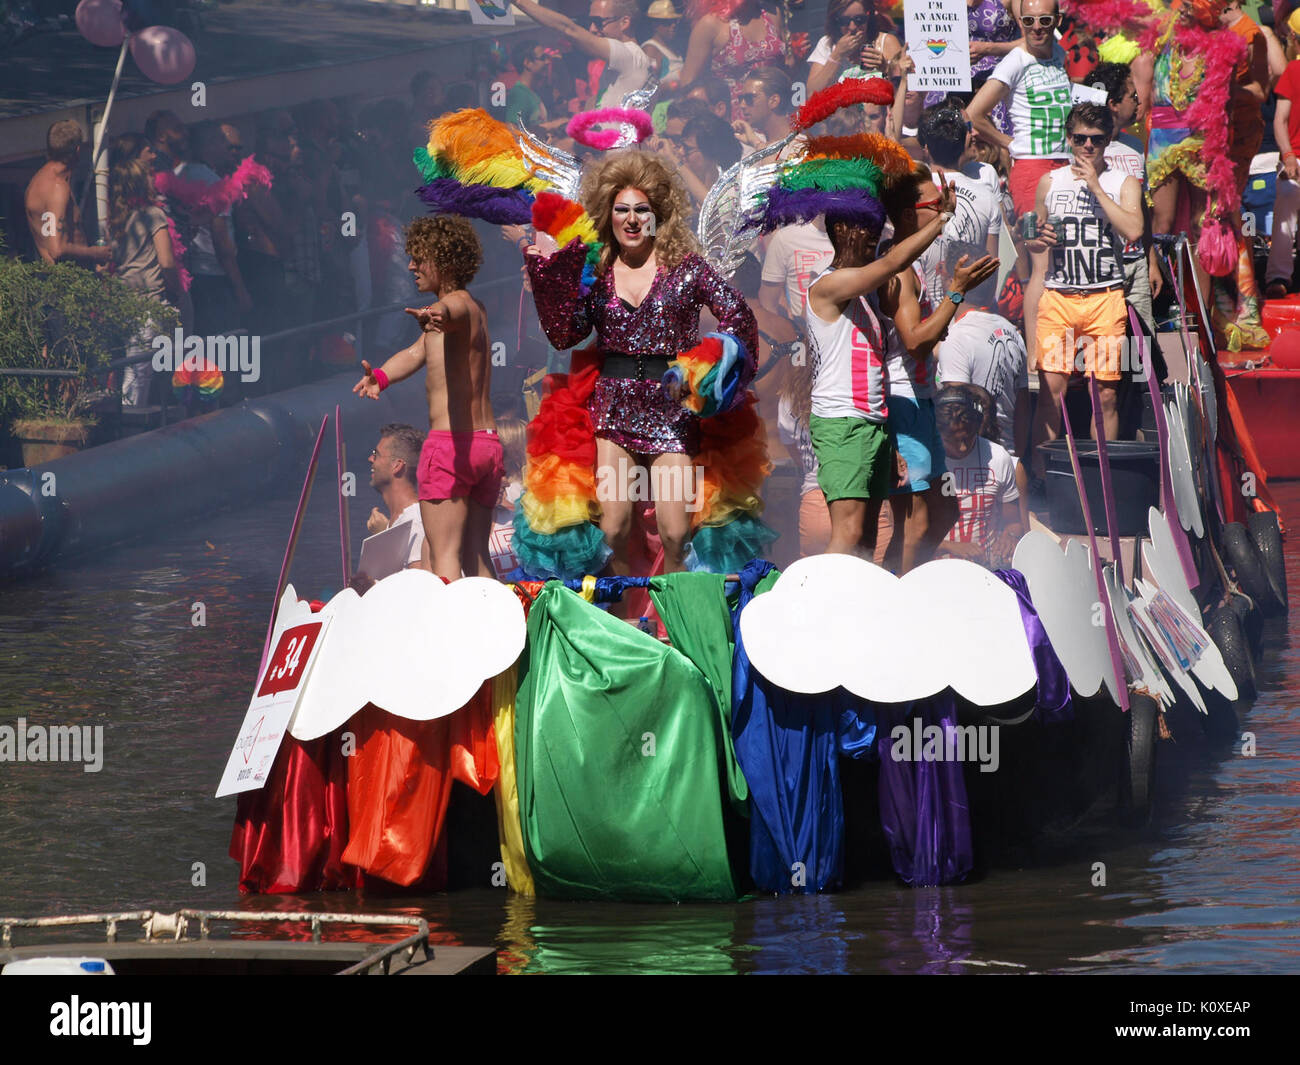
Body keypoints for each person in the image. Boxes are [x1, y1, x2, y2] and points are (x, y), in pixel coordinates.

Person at [524, 150, 758, 575]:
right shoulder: (596, 272)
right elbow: (565, 335)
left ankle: (673, 612)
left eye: (641, 211)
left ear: (657, 216)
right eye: (622, 210)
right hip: (613, 407)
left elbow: (738, 315)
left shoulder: (686, 269)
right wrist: (548, 283)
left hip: (672, 410)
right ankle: (618, 613)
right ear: (608, 215)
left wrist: (709, 368)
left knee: (675, 533)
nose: (631, 220)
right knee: (613, 530)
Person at [803, 181, 960, 562]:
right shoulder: (827, 285)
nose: (873, 233)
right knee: (849, 534)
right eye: (863, 226)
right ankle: (818, 599)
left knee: (867, 540)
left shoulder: (862, 296)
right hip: (842, 422)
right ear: (840, 229)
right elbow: (891, 264)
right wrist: (941, 220)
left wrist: (887, 441)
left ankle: (861, 601)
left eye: (875, 225)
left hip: (872, 421)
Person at [353, 216, 501, 583]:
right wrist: (380, 378)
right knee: (476, 555)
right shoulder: (475, 308)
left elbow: (451, 313)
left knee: (442, 555)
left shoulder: (456, 307)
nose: (410, 267)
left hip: (451, 447)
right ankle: (496, 617)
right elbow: (414, 353)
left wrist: (438, 315)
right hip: (485, 446)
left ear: (443, 261)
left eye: (419, 259)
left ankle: (451, 622)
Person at [877, 162, 998, 573]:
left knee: (945, 510)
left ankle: (901, 580)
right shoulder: (896, 268)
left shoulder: (910, 264)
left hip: (922, 400)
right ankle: (901, 596)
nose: (947, 210)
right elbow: (915, 343)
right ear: (908, 214)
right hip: (904, 404)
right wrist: (956, 293)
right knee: (914, 522)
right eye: (937, 205)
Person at [1028, 103, 1143, 480]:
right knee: (1052, 392)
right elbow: (1032, 240)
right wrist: (1034, 238)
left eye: (1096, 139)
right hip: (1060, 298)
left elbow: (1134, 230)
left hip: (1105, 299)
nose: (1088, 146)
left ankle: (1100, 479)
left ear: (1108, 139)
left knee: (1104, 394)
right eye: (1080, 139)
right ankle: (1044, 479)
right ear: (1069, 138)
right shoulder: (1050, 181)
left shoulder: (1123, 183)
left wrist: (1095, 185)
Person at [108, 134, 184, 408]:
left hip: (122, 304)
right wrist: (177, 293)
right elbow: (167, 262)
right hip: (150, 305)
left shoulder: (113, 218)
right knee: (139, 377)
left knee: (128, 371)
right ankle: (132, 427)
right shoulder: (152, 214)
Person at [916, 104, 1003, 310]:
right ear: (964, 144)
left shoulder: (914, 190)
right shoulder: (986, 198)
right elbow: (990, 272)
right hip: (966, 311)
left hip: (922, 312)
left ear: (927, 148)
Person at [933, 386, 1023, 569]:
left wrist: (1010, 537)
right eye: (952, 440)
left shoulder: (998, 458)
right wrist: (950, 546)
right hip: (932, 570)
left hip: (985, 570)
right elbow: (903, 536)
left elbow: (1014, 523)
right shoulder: (922, 460)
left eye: (968, 437)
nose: (963, 447)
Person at [512, 0, 650, 111]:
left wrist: (519, 2)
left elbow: (569, 29)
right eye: (590, 22)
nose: (592, 29)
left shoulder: (629, 55)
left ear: (624, 22)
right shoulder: (624, 60)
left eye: (598, 22)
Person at [673, 0, 789, 119]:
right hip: (732, 121)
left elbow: (783, 72)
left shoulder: (772, 14)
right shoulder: (710, 24)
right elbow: (687, 85)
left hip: (772, 117)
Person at [24, 120, 113, 267]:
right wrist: (94, 253)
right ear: (78, 150)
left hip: (61, 273)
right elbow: (56, 249)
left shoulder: (39, 180)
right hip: (67, 276)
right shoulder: (56, 188)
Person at [1267, 9, 1300, 297]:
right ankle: (1278, 275)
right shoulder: (1293, 71)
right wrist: (1288, 155)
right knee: (1288, 193)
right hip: (1295, 158)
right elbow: (1280, 120)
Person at [365, 423, 429, 571]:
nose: (370, 459)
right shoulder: (403, 523)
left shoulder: (416, 522)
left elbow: (422, 581)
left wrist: (383, 537)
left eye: (376, 454)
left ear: (396, 465)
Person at [806, 0, 903, 95]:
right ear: (835, 21)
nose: (852, 27)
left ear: (869, 18)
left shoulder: (886, 42)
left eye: (859, 20)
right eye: (844, 21)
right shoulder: (827, 44)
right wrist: (837, 55)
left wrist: (884, 68)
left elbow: (903, 90)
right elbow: (811, 95)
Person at [734, 65, 795, 155]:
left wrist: (757, 144)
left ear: (774, 101)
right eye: (741, 99)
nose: (742, 105)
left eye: (749, 98)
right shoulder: (749, 141)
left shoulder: (800, 146)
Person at [642, 0, 686, 82]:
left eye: (675, 21)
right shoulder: (651, 49)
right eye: (668, 22)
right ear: (655, 24)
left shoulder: (673, 47)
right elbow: (649, 85)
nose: (673, 25)